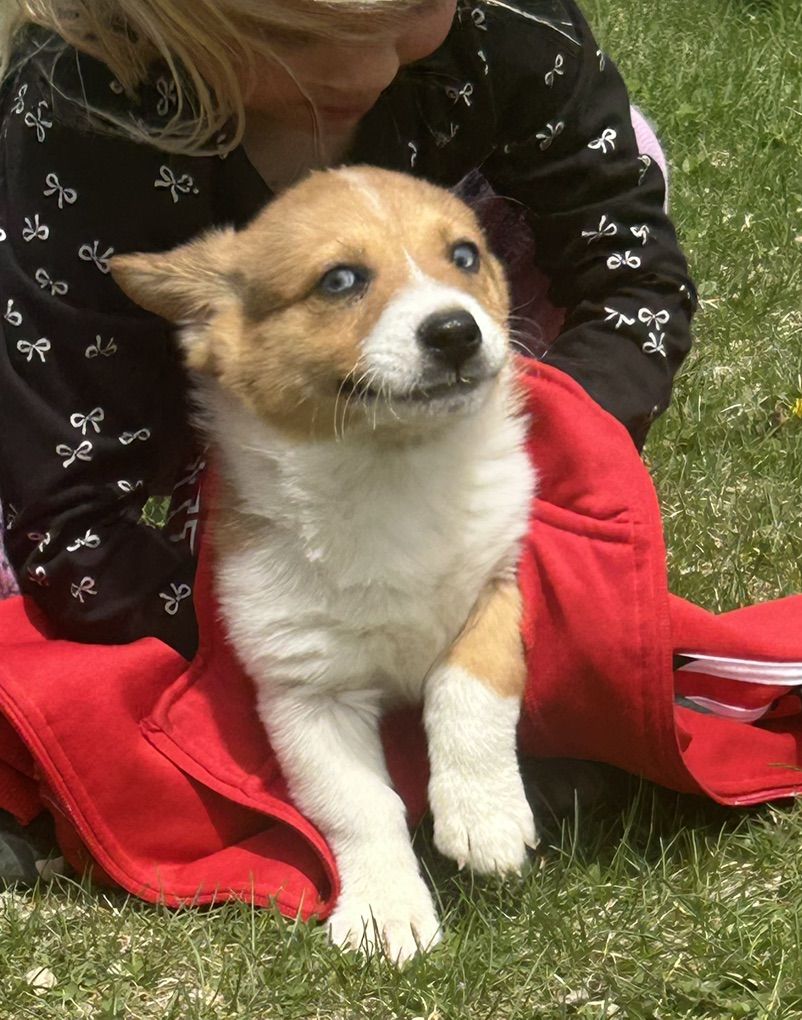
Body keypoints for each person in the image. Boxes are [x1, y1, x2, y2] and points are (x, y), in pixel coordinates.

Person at [0, 0, 696, 876]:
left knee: (626, 146)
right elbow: (67, 513)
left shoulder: (506, 25)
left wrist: (556, 467)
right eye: (296, 38)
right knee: (33, 595)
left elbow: (630, 276)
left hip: (465, 378)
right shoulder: (80, 100)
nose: (373, 69)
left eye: (417, 9)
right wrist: (263, 639)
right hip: (118, 366)